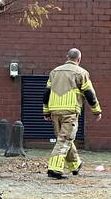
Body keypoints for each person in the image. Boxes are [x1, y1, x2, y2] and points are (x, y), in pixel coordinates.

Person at [43, 48, 102, 180]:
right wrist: (96, 110)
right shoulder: (81, 72)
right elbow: (89, 93)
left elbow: (47, 93)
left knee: (64, 138)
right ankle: (54, 169)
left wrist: (46, 110)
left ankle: (75, 164)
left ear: (67, 57)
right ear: (79, 59)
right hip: (70, 111)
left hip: (55, 111)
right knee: (65, 140)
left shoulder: (54, 72)